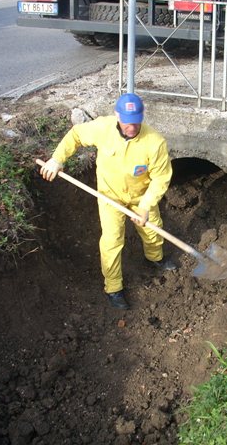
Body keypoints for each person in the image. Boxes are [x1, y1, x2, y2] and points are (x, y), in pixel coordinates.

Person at [39, 93, 176, 310]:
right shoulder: (103, 128)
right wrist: (57, 159)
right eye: (127, 122)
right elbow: (75, 135)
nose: (132, 127)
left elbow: (161, 177)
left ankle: (155, 258)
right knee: (112, 241)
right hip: (109, 197)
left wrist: (146, 205)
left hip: (141, 196)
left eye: (136, 121)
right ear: (117, 115)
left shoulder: (155, 142)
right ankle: (114, 288)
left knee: (153, 230)